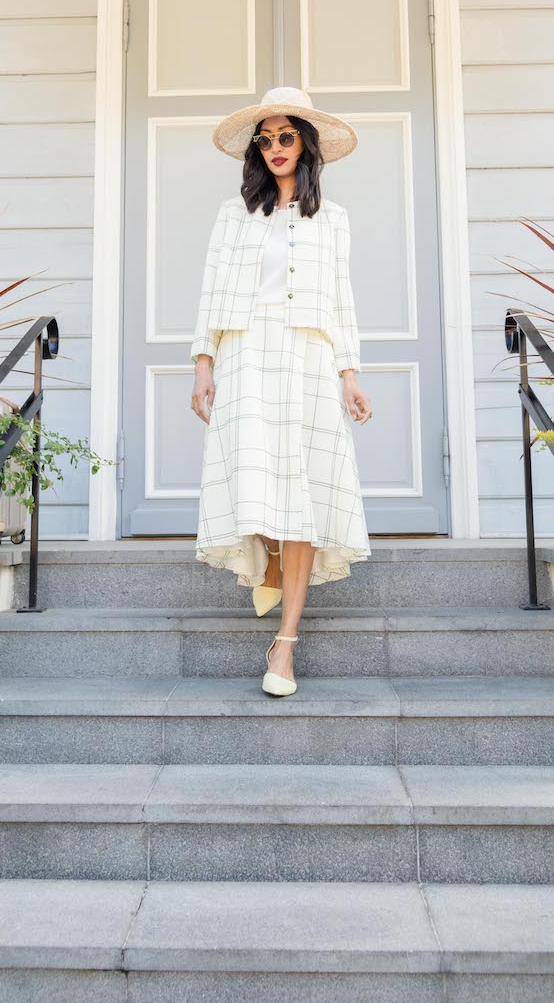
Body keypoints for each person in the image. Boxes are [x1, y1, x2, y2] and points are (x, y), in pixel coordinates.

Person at [189, 85, 372, 697]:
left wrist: (349, 371)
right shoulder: (231, 215)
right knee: (258, 479)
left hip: (309, 357)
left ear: (306, 144)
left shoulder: (335, 220)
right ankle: (268, 559)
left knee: (303, 494)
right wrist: (203, 361)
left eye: (285, 137)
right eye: (264, 140)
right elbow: (212, 289)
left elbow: (341, 301)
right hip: (246, 354)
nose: (274, 148)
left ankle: (285, 644)